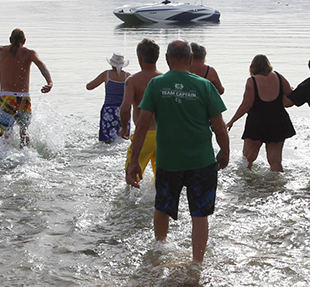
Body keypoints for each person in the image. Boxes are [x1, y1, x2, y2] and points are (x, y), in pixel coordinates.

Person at [125, 40, 229, 263]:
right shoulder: (204, 86)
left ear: (167, 60)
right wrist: (225, 151)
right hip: (201, 161)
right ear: (191, 60)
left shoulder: (156, 85)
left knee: (162, 207)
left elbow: (142, 125)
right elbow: (219, 126)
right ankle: (197, 263)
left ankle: (159, 252)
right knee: (200, 214)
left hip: (168, 161)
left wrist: (135, 160)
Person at [225, 54, 296, 171]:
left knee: (247, 159)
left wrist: (232, 121)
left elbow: (246, 105)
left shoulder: (252, 81)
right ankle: (277, 185)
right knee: (275, 160)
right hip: (278, 121)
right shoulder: (279, 77)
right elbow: (291, 94)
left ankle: (247, 186)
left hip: (257, 123)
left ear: (252, 67)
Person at [0, 29, 53, 146]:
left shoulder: (1, 50)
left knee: (6, 133)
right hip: (23, 98)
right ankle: (26, 155)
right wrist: (49, 82)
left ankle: (6, 158)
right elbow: (42, 66)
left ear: (10, 40)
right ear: (24, 41)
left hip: (6, 97)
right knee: (24, 132)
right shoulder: (29, 53)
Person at [120, 39, 162, 180]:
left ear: (139, 58)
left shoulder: (132, 80)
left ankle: (131, 202)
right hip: (164, 136)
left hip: (142, 137)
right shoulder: (164, 79)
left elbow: (125, 108)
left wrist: (124, 127)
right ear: (158, 56)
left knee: (131, 178)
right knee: (162, 181)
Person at [86, 53, 130, 143]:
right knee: (123, 139)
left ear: (111, 63)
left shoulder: (106, 74)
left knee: (107, 141)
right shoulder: (128, 76)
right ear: (122, 65)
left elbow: (89, 87)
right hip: (123, 111)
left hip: (108, 111)